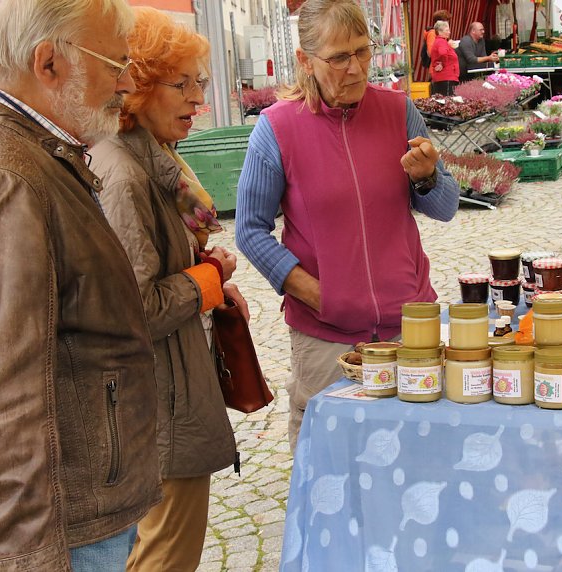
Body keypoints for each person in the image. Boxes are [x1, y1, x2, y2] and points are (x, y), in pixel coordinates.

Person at [0, 0, 162, 569]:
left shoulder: (32, 153)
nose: (126, 81)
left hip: (76, 504)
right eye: (114, 63)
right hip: (59, 525)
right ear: (49, 64)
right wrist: (31, 559)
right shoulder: (8, 175)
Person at [235, 0, 459, 452]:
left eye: (363, 51)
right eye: (339, 57)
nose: (356, 68)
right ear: (306, 60)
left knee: (417, 459)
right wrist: (317, 294)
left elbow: (447, 206)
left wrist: (427, 177)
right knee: (333, 470)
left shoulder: (399, 112)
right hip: (326, 342)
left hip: (409, 329)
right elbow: (250, 230)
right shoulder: (277, 128)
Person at [88, 8, 245, 570]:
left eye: (198, 82)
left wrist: (210, 277)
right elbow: (134, 308)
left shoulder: (150, 161)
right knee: (167, 554)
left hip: (163, 393)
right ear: (138, 87)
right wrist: (203, 283)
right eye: (180, 84)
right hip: (159, 404)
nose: (198, 98)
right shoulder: (125, 174)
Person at [430, 20, 459, 96]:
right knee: (447, 102)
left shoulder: (441, 42)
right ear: (440, 31)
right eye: (447, 30)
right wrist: (443, 63)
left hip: (445, 78)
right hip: (446, 78)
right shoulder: (441, 42)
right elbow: (443, 53)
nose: (449, 32)